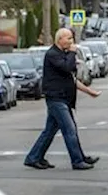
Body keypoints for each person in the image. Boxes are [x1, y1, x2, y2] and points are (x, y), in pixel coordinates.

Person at [24, 28, 100, 170]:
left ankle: (34, 157)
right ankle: (77, 161)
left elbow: (71, 78)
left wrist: (89, 91)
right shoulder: (53, 54)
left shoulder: (63, 55)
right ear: (60, 40)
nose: (71, 42)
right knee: (69, 129)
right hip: (56, 99)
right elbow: (66, 68)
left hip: (65, 98)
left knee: (50, 131)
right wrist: (72, 53)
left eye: (72, 38)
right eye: (69, 38)